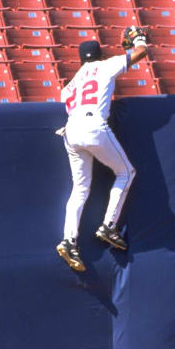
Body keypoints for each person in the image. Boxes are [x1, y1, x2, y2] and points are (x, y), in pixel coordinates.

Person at [56, 26, 149, 272]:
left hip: (70, 130)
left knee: (79, 189)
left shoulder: (71, 83)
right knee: (126, 173)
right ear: (99, 54)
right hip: (93, 125)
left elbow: (66, 97)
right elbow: (140, 53)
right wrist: (137, 40)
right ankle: (109, 225)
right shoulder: (106, 65)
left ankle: (69, 239)